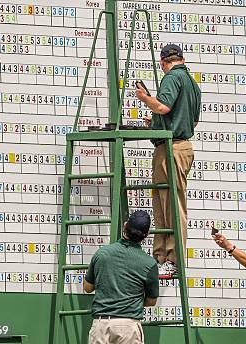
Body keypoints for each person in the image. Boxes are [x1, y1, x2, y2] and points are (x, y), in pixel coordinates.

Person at [136, 43, 201, 278]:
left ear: (163, 62)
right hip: (181, 145)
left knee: (171, 206)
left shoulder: (172, 78)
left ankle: (171, 259)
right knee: (166, 204)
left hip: (171, 147)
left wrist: (145, 98)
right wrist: (156, 123)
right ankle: (162, 257)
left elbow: (163, 107)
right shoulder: (192, 84)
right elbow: (191, 122)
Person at [83, 210, 159, 344]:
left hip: (101, 324)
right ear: (146, 235)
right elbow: (151, 301)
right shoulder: (150, 264)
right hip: (129, 327)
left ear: (125, 226)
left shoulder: (102, 254)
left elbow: (87, 287)